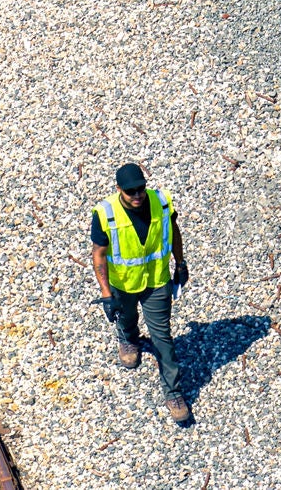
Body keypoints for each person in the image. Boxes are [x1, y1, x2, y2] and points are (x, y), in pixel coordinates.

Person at [88, 163, 192, 425]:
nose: (137, 195)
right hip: (122, 283)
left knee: (163, 338)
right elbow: (99, 254)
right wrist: (106, 294)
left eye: (140, 189)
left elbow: (173, 233)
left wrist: (180, 263)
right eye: (130, 191)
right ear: (119, 189)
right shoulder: (105, 213)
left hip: (157, 281)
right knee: (126, 318)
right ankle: (128, 338)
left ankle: (174, 392)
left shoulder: (162, 202)